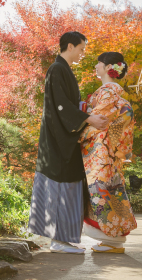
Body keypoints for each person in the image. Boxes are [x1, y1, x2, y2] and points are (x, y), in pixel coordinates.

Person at [28, 31, 108, 254]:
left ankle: (65, 240)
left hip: (66, 137)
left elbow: (69, 105)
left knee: (68, 186)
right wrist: (88, 118)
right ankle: (58, 242)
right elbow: (61, 105)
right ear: (70, 46)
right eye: (81, 49)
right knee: (59, 186)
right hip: (58, 140)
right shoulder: (57, 69)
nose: (83, 53)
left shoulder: (64, 69)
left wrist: (86, 113)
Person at [79, 51, 138, 253]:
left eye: (98, 63)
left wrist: (76, 133)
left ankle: (112, 240)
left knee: (101, 192)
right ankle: (113, 241)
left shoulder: (107, 93)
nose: (96, 66)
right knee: (112, 192)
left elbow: (97, 122)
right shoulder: (116, 95)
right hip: (109, 151)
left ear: (107, 67)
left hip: (100, 152)